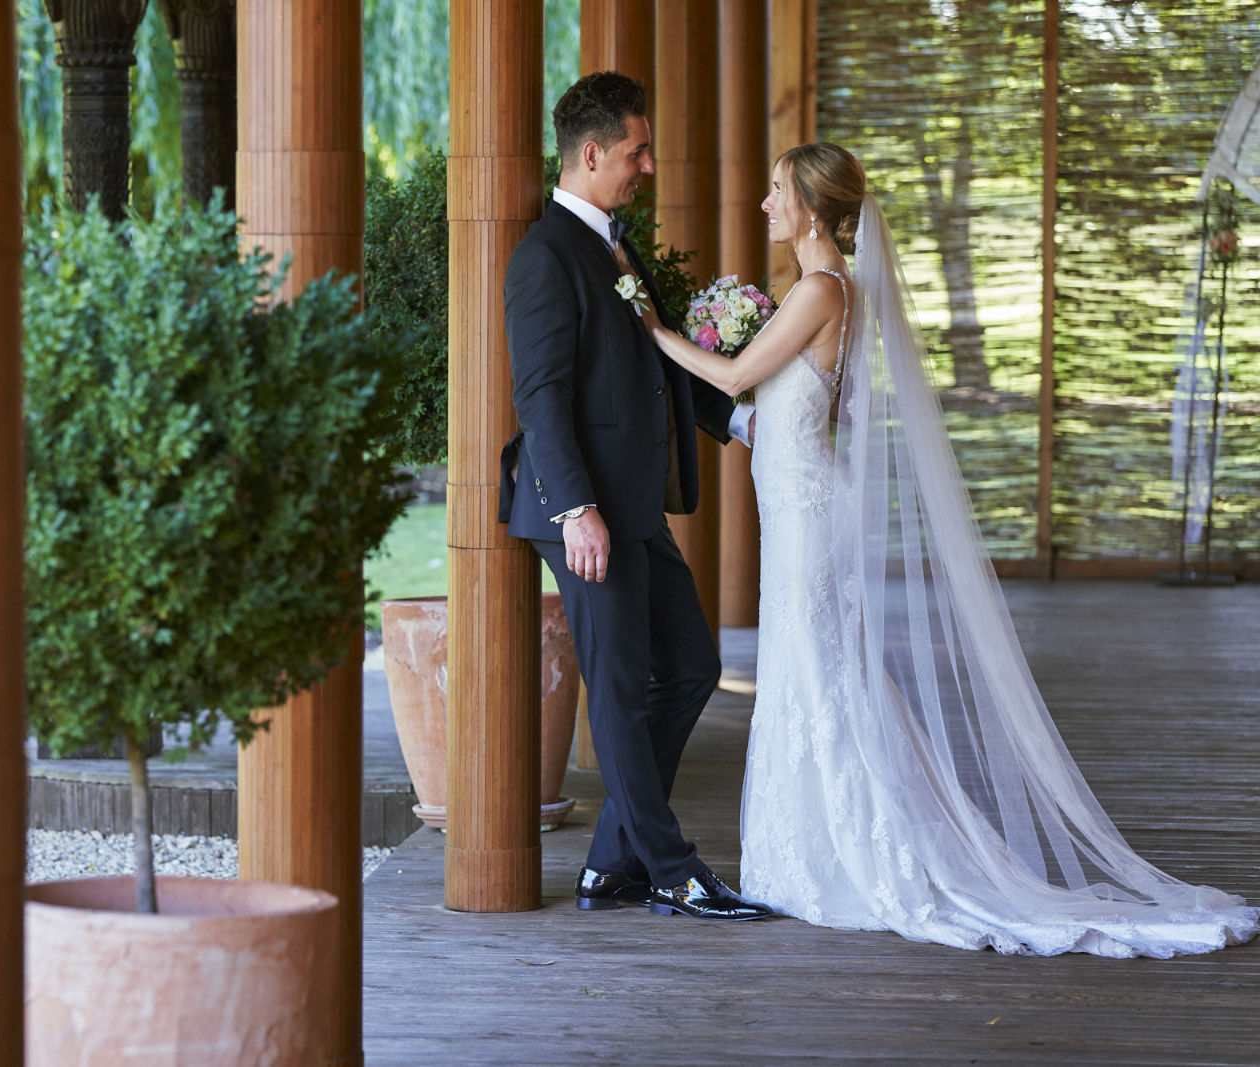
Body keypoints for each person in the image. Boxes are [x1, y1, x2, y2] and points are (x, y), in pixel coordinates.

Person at [641, 141, 1259, 956]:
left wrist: (650, 329)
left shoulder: (823, 289)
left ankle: (844, 855)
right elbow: (792, 409)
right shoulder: (822, 291)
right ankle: (810, 848)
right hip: (798, 506)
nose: (765, 203)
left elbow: (729, 379)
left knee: (820, 671)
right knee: (815, 670)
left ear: (814, 208)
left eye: (778, 190)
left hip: (807, 515)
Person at [498, 71, 767, 921]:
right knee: (616, 690)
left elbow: (657, 359)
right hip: (586, 516)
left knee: (690, 666)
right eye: (636, 151)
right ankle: (671, 867)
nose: (647, 165)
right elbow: (539, 394)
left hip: (635, 508)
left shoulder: (615, 244)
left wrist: (749, 423)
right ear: (591, 153)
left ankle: (612, 860)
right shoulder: (545, 254)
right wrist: (577, 510)